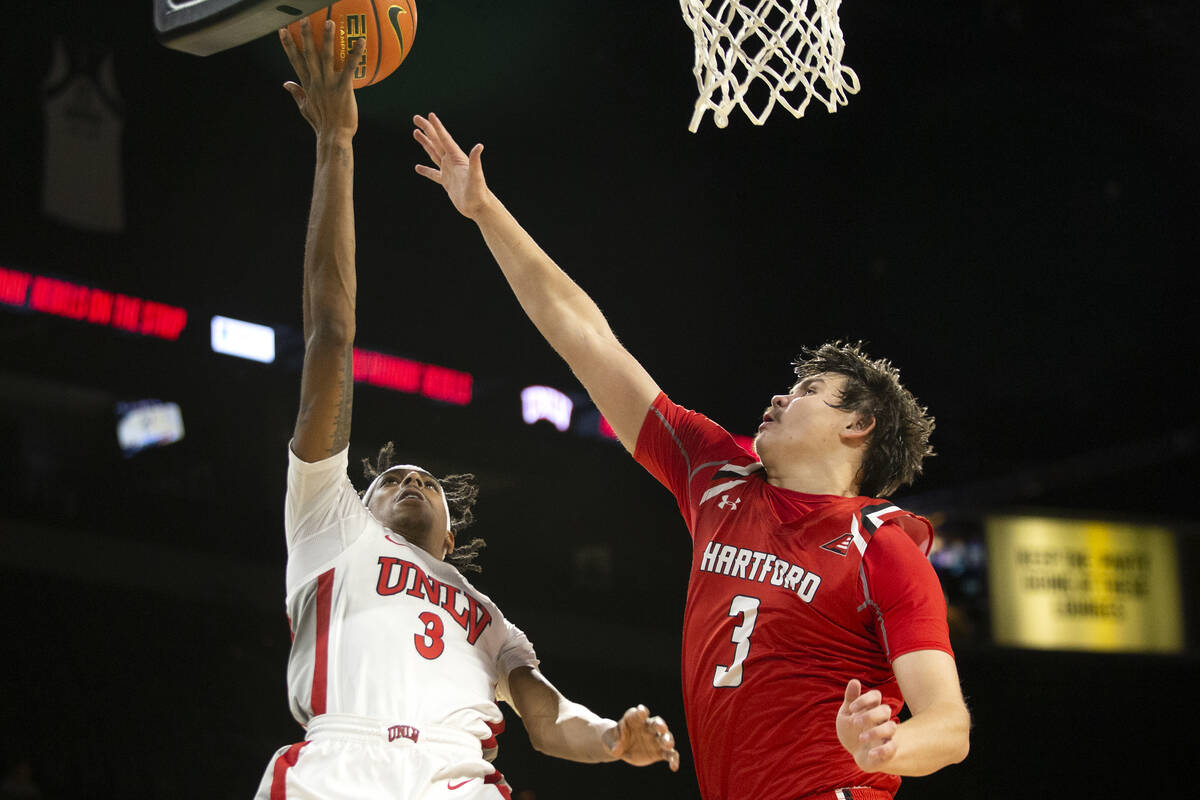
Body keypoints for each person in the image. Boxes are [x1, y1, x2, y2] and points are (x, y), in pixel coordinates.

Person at [412, 113, 971, 800]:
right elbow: (588, 338)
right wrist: (485, 211)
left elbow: (949, 728)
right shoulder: (716, 477)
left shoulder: (880, 547)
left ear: (859, 424)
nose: (779, 395)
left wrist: (889, 743)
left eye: (809, 391)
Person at [255, 22, 680, 800]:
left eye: (426, 483)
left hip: (457, 779)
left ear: (453, 535)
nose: (412, 482)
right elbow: (330, 335)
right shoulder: (328, 527)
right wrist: (337, 145)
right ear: (361, 500)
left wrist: (614, 740)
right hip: (338, 766)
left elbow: (552, 724)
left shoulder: (487, 618)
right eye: (392, 481)